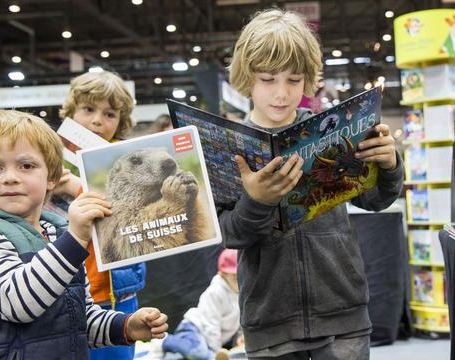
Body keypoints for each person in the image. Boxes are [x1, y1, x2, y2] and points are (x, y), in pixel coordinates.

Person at [220, 9, 404, 359]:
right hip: (270, 322)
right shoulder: (229, 148)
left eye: (293, 80)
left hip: (343, 314)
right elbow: (231, 234)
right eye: (268, 79)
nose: (281, 93)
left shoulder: (333, 130)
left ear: (308, 79)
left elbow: (376, 199)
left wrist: (390, 164)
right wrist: (257, 200)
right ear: (247, 78)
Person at [0, 110, 168, 359]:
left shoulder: (56, 232)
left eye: (26, 166)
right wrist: (76, 239)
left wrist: (125, 326)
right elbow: (18, 303)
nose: (10, 178)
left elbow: (78, 318)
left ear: (53, 178)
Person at [58, 70, 147, 360]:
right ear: (70, 112)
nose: (97, 120)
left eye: (109, 114)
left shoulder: (127, 162)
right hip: (64, 295)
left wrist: (78, 187)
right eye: (88, 109)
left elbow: (131, 211)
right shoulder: (47, 160)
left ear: (121, 122)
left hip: (116, 296)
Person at [150, 249, 242, 360]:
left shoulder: (241, 293)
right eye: (235, 278)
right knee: (199, 353)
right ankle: (165, 341)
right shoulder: (216, 292)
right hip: (195, 329)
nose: (239, 282)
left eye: (241, 277)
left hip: (209, 340)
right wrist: (215, 351)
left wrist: (240, 336)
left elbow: (241, 320)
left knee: (187, 357)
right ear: (222, 274)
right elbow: (211, 324)